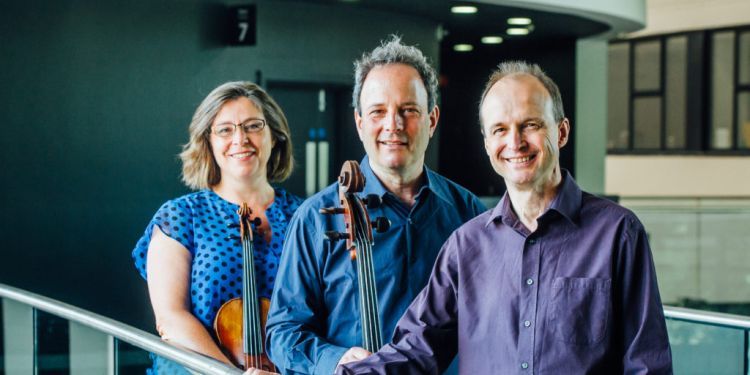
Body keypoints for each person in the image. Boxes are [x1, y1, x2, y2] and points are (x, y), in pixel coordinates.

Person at [338, 61, 673, 374]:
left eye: (530, 124)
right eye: (499, 129)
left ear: (561, 132)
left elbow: (647, 365)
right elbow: (415, 349)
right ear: (487, 144)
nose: (515, 142)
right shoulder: (465, 245)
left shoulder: (618, 234)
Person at [265, 36, 486, 375]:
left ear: (432, 119)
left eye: (408, 110)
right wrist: (337, 360)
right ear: (359, 123)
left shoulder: (466, 210)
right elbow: (283, 334)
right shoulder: (314, 218)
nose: (392, 124)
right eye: (378, 111)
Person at [132, 81, 302, 374]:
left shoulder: (304, 215)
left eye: (253, 126)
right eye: (225, 129)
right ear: (208, 142)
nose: (240, 139)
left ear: (274, 136)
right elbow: (171, 319)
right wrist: (231, 373)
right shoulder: (181, 216)